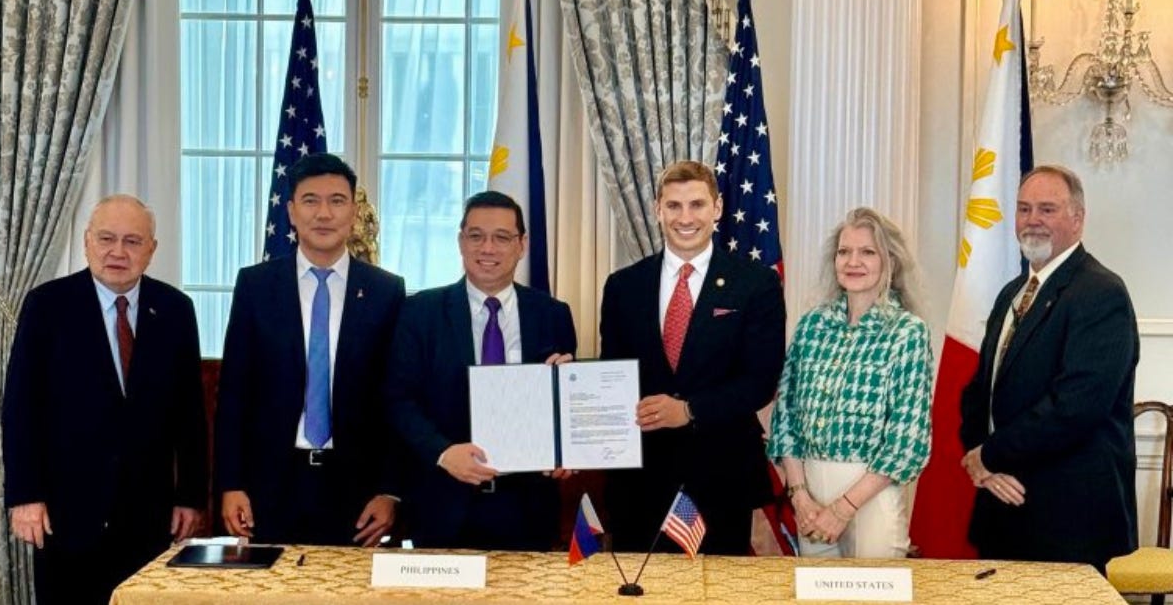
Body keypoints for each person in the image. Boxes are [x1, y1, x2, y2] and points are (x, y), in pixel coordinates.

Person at [2, 195, 206, 604]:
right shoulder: (47, 306)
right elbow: (21, 408)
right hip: (66, 516)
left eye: (132, 241)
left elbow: (190, 415)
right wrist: (24, 496)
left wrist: (191, 497)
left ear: (152, 249)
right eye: (106, 238)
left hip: (148, 518)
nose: (118, 252)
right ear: (86, 242)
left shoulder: (175, 310)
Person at [215, 153, 405, 546]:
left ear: (353, 211)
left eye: (337, 201)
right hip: (270, 486)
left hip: (357, 490)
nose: (324, 213)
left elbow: (396, 401)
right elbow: (234, 394)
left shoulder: (386, 291)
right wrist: (231, 483)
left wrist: (390, 490)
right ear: (291, 211)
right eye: (310, 200)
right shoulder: (255, 287)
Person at [599, 160, 786, 555]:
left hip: (721, 478)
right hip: (640, 481)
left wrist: (688, 410)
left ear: (717, 208)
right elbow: (611, 377)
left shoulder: (756, 284)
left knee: (717, 586)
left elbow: (761, 381)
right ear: (657, 209)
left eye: (697, 205)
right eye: (674, 206)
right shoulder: (623, 286)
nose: (685, 218)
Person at [960, 165, 1138, 573]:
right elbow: (979, 391)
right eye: (1024, 209)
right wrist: (981, 463)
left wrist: (990, 454)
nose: (1032, 220)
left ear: (1078, 218)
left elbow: (1076, 406)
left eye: (1047, 209)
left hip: (1068, 520)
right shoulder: (1012, 293)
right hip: (1001, 506)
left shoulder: (1101, 292)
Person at [385, 191, 577, 550]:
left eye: (502, 237)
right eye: (476, 236)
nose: (487, 248)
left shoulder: (552, 314)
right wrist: (444, 453)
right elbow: (399, 400)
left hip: (528, 507)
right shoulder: (420, 312)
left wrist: (565, 449)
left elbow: (565, 404)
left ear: (522, 245)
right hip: (443, 504)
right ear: (461, 241)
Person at [767, 207, 933, 558]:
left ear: (889, 261)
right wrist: (799, 495)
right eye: (844, 251)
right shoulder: (812, 326)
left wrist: (842, 509)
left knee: (875, 588)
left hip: (872, 495)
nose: (853, 261)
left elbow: (907, 440)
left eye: (867, 252)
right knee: (814, 590)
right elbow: (786, 418)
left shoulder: (907, 332)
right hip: (809, 497)